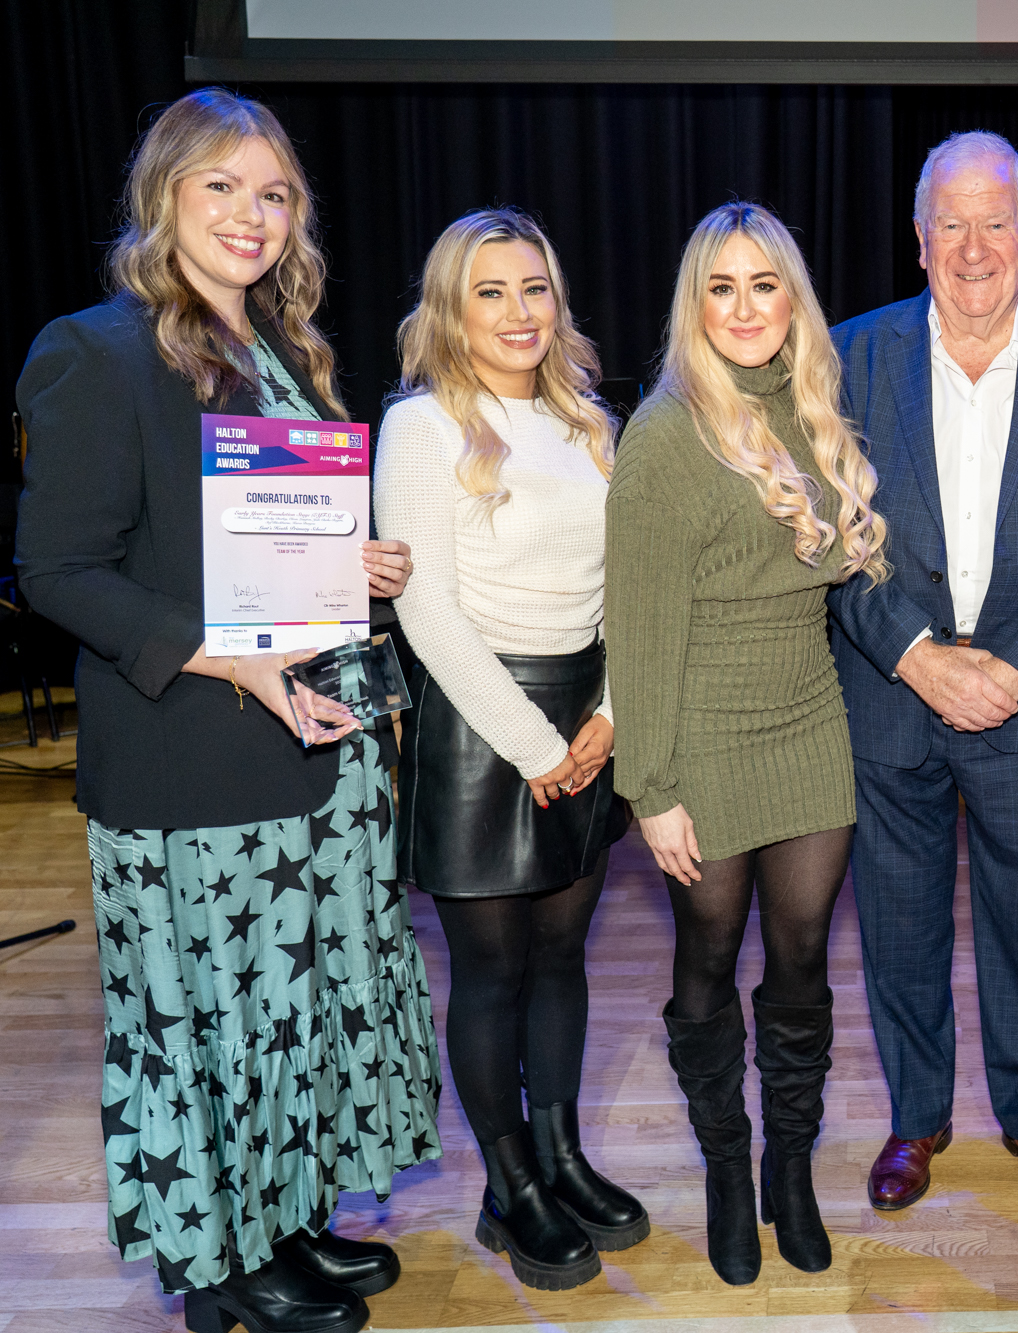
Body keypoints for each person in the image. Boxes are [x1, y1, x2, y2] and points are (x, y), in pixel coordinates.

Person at [14, 88, 439, 1333]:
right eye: (221, 186)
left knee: (291, 1008)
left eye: (273, 194)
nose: (251, 216)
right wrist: (230, 659)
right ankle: (221, 1263)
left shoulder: (289, 351)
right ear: (164, 194)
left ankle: (287, 1219)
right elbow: (60, 571)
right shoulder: (95, 351)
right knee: (212, 1021)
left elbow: (262, 547)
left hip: (314, 748)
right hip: (191, 760)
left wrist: (360, 562)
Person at [828, 131, 1018, 1218]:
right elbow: (831, 530)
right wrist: (918, 658)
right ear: (918, 239)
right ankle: (917, 1117)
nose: (973, 247)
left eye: (994, 222)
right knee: (898, 924)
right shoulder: (849, 355)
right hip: (891, 693)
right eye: (950, 224)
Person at [608, 202, 888, 1285]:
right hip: (702, 737)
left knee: (804, 959)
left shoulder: (814, 411)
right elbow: (637, 627)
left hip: (809, 721)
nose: (742, 307)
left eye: (762, 284)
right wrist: (651, 787)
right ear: (696, 304)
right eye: (719, 288)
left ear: (790, 297)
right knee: (710, 958)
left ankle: (789, 1166)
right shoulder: (664, 432)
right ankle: (727, 1166)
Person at [375, 208, 640, 1292]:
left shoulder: (590, 422)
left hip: (587, 720)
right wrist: (537, 746)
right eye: (490, 291)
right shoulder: (421, 425)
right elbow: (425, 610)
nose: (518, 311)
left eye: (534, 288)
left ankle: (562, 1156)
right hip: (481, 726)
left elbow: (631, 588)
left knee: (562, 958)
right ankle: (510, 1183)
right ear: (452, 308)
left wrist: (612, 714)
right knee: (492, 972)